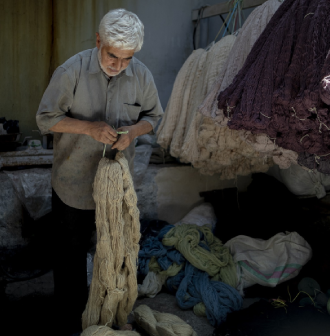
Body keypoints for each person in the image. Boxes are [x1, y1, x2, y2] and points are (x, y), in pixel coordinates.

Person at [36, 9, 163, 335]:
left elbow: (155, 118)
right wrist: (89, 128)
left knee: (117, 254)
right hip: (73, 183)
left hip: (118, 187)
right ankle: (70, 321)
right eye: (111, 55)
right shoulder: (71, 71)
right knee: (70, 259)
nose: (117, 65)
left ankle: (110, 317)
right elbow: (45, 118)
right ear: (98, 41)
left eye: (126, 59)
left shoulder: (142, 76)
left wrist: (133, 132)